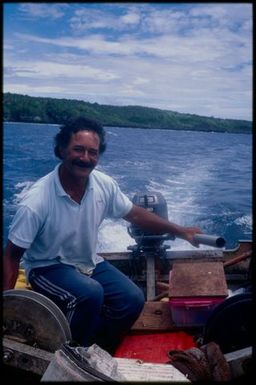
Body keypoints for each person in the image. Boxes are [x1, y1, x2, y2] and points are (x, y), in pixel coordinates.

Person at [4, 117, 203, 353]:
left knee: (132, 298)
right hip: (47, 267)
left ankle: (97, 350)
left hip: (87, 263)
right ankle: (67, 353)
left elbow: (136, 214)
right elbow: (11, 255)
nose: (85, 158)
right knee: (90, 293)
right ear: (61, 150)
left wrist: (180, 231)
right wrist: (7, 307)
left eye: (93, 152)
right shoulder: (36, 202)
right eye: (78, 149)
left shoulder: (103, 184)